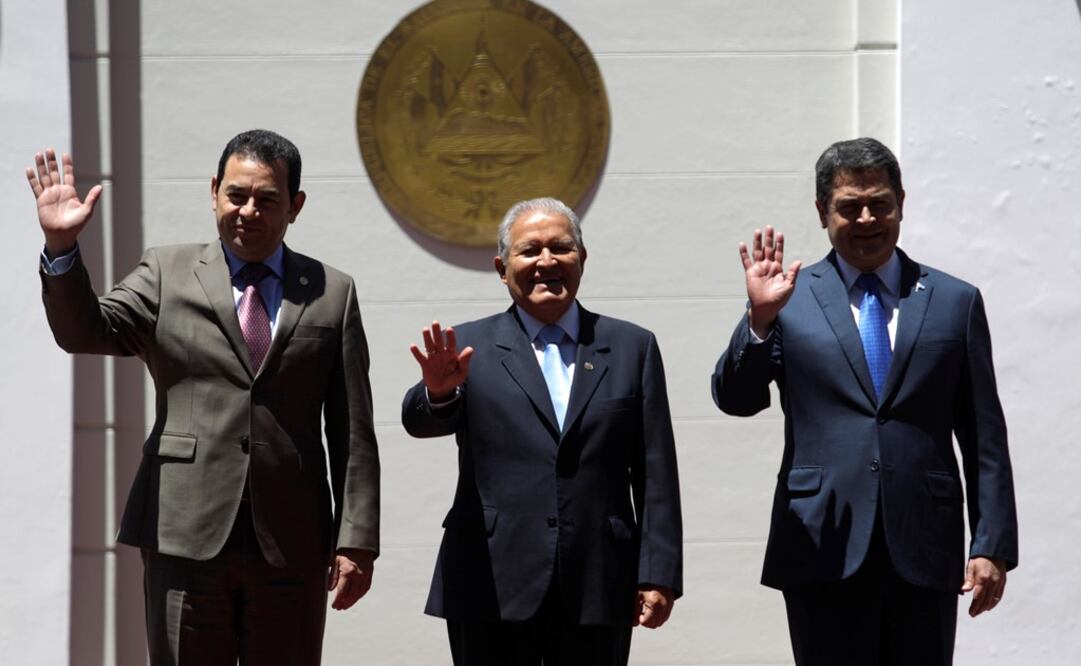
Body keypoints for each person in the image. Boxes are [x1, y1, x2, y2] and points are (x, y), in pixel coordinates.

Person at [27, 129, 379, 665]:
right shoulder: (166, 273)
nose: (248, 211)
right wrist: (61, 250)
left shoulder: (332, 292)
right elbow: (86, 331)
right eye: (236, 194)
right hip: (182, 529)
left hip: (292, 537)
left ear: (295, 206)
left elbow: (352, 427)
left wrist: (356, 539)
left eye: (266, 199)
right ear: (214, 190)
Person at [712, 137, 1018, 665]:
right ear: (821, 211)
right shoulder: (789, 297)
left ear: (902, 201)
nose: (868, 219)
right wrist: (758, 322)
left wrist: (991, 542)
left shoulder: (954, 301)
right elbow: (736, 399)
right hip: (819, 539)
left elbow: (983, 433)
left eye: (881, 203)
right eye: (849, 208)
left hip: (924, 542)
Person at [402, 197, 683, 666]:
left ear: (583, 258)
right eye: (530, 251)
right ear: (502, 267)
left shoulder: (632, 347)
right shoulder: (468, 346)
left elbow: (655, 471)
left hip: (598, 578)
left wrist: (659, 572)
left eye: (561, 248)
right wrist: (438, 392)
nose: (546, 262)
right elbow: (419, 419)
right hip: (490, 578)